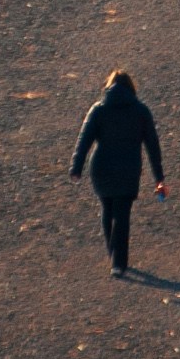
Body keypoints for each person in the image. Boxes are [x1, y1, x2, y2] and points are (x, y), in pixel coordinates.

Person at [70, 67, 165, 276]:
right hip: (128, 170)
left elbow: (84, 139)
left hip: (101, 167)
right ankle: (118, 263)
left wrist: (76, 167)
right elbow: (152, 146)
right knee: (122, 215)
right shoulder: (141, 111)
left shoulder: (99, 109)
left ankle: (113, 255)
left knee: (107, 208)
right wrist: (159, 178)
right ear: (131, 88)